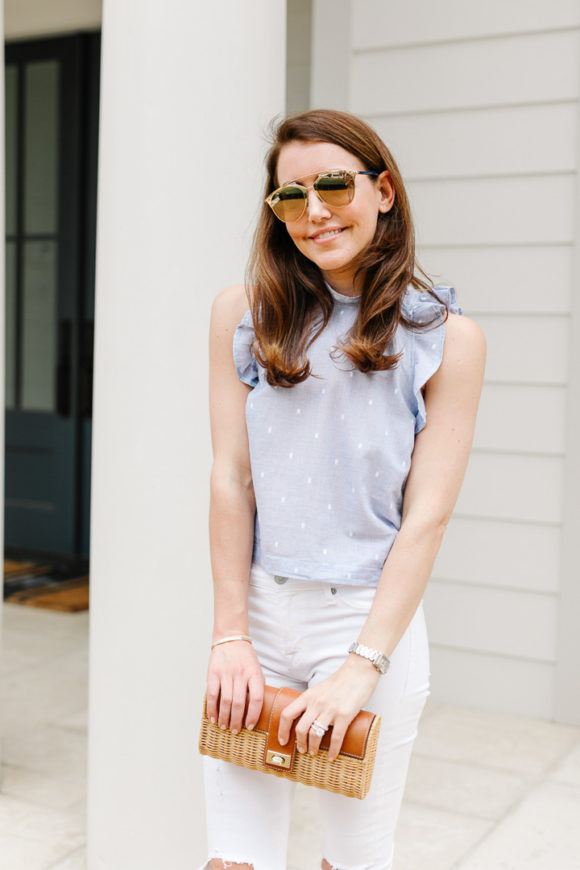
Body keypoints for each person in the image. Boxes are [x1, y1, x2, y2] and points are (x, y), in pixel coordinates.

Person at [202, 109, 486, 870]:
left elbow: (426, 518)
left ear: (383, 190)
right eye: (289, 195)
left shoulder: (446, 336)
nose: (314, 210)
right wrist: (231, 634)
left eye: (333, 183)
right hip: (259, 611)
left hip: (365, 621)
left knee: (351, 862)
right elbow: (231, 479)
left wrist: (363, 664)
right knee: (234, 860)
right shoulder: (245, 314)